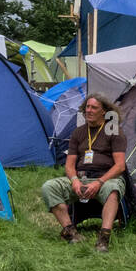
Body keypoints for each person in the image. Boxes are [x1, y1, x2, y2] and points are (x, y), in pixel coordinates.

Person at [40, 95, 126, 252]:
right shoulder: (78, 133)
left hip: (106, 178)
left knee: (113, 191)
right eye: (87, 107)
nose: (89, 111)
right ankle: (70, 232)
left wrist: (99, 182)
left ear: (104, 111)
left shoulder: (114, 132)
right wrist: (74, 180)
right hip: (81, 178)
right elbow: (69, 165)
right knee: (49, 187)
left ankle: (103, 238)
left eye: (94, 108)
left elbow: (120, 166)